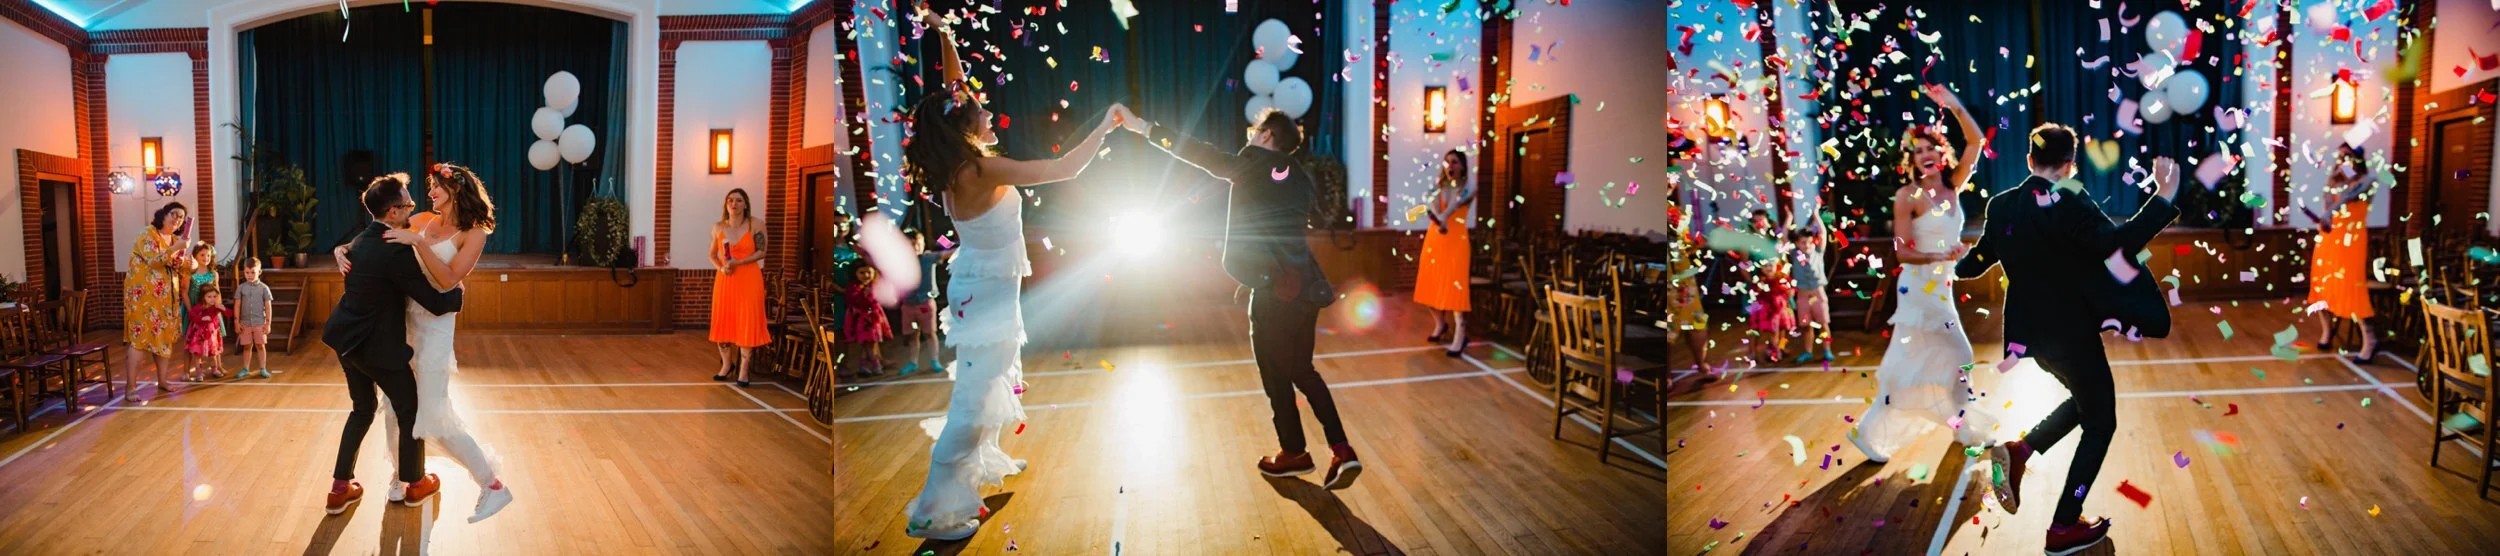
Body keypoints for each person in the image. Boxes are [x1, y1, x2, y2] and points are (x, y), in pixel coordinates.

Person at [898, 2, 1124, 540]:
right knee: (971, 400)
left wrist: (945, 34)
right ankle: (935, 507)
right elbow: (1064, 168)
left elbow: (955, 90)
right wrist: (1106, 123)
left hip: (985, 286)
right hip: (985, 293)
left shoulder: (963, 162)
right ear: (966, 127)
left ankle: (987, 461)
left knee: (991, 379)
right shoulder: (980, 168)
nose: (987, 112)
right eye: (979, 111)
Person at [1959, 123, 2180, 555]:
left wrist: (1949, 261)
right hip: (2072, 336)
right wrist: (2164, 197)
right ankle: (2063, 526)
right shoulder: (2071, 200)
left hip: (2033, 339)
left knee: (2086, 403)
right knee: (2101, 422)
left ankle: (2021, 450)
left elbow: (1977, 262)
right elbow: (2116, 245)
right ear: (2070, 165)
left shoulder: (2002, 205)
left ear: (2029, 161)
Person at [1121, 104, 1361, 489]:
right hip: (1306, 288)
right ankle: (1340, 448)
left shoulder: (1253, 165)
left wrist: (1144, 128)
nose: (1250, 135)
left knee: (1276, 377)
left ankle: (1295, 453)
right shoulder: (1298, 176)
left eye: (1255, 130)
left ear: (1266, 136)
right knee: (1302, 369)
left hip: (1275, 290)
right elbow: (1306, 217)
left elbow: (1197, 152)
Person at [1848, 84, 1998, 466]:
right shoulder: (1906, 197)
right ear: (1912, 161)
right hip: (1918, 288)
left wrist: (1953, 103)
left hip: (1940, 286)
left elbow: (1976, 140)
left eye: (1930, 147)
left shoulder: (1953, 185)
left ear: (1940, 153)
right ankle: (1963, 429)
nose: (1926, 154)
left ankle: (1870, 431)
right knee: (1961, 354)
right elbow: (1901, 251)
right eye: (1918, 151)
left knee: (1916, 363)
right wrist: (1938, 254)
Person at [322, 173, 465, 515]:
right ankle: (415, 484)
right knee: (409, 409)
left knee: (362, 410)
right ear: (391, 213)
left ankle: (339, 490)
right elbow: (433, 300)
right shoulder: (394, 249)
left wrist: (338, 248)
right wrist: (457, 291)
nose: (413, 209)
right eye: (408, 205)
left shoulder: (360, 240)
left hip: (344, 339)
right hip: (375, 346)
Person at [2302, 144, 2377, 362]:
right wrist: (2322, 221)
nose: (2342, 160)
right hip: (2329, 239)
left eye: (2348, 156)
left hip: (2351, 240)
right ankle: (2327, 331)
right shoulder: (2333, 181)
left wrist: (2346, 178)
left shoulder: (2367, 181)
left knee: (2352, 287)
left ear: (2357, 159)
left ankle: (2370, 340)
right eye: (2340, 156)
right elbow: (2327, 207)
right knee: (2322, 287)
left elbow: (2348, 198)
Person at [1413, 149, 1476, 356]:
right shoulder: (1436, 187)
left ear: (1463, 166)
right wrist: (1435, 217)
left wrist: (1442, 218)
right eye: (1447, 162)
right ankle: (1440, 324)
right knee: (1429, 285)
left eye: (1455, 162)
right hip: (1435, 240)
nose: (1451, 166)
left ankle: (1460, 333)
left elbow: (1455, 206)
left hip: (1456, 240)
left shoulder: (1469, 188)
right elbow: (1428, 205)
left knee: (1455, 287)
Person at [125, 203, 192, 399]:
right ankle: (130, 387)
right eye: (174, 214)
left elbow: (179, 267)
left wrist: (191, 265)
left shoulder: (174, 239)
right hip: (144, 296)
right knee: (139, 340)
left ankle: (162, 381)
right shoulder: (148, 234)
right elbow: (154, 260)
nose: (177, 219)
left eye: (181, 217)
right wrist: (176, 248)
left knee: (164, 338)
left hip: (166, 298)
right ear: (163, 214)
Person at [709, 188, 771, 387]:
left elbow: (762, 252)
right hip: (726, 280)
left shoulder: (756, 224)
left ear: (746, 204)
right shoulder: (718, 227)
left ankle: (744, 369)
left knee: (747, 320)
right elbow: (712, 254)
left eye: (738, 200)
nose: (733, 204)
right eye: (730, 200)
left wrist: (739, 262)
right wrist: (721, 268)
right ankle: (727, 365)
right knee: (724, 320)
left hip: (748, 278)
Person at [896, 230, 955, 376]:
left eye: (918, 244)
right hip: (908, 306)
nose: (915, 247)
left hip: (925, 304)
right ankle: (912, 362)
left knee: (930, 333)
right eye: (910, 245)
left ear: (923, 244)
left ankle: (935, 361)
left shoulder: (929, 258)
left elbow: (951, 251)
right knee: (912, 335)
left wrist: (943, 240)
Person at [1788, 225, 1834, 362]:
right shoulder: (1795, 254)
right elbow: (1784, 237)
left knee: (1823, 323)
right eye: (1802, 242)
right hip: (1803, 295)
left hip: (1817, 294)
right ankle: (1808, 351)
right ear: (1797, 243)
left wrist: (1816, 215)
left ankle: (1827, 350)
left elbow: (1823, 233)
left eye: (1809, 241)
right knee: (1806, 326)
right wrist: (1789, 219)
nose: (1806, 245)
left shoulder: (1818, 251)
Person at [181, 242, 224, 380]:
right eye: (202, 255)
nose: (206, 258)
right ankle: (186, 371)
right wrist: (190, 311)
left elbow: (217, 292)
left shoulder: (213, 274)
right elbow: (184, 292)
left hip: (210, 310)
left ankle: (218, 366)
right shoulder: (190, 274)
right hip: (194, 307)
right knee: (190, 340)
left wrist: (218, 307)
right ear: (195, 256)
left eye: (208, 255)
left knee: (214, 338)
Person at [842, 265, 894, 377]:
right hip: (861, 320)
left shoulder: (874, 286)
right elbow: (857, 302)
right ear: (855, 273)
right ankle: (874, 365)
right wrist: (867, 295)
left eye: (868, 272)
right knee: (868, 343)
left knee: (870, 342)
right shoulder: (853, 288)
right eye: (862, 272)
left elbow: (877, 301)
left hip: (873, 319)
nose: (866, 275)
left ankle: (864, 365)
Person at [234, 258, 275, 379]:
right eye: (247, 272)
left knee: (260, 345)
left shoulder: (264, 288)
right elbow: (237, 305)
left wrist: (268, 323)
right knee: (247, 346)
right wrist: (236, 322)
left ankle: (263, 368)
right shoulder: (241, 288)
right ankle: (245, 368)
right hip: (245, 323)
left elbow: (268, 306)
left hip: (259, 323)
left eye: (253, 272)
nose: (250, 275)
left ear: (259, 272)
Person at [184, 289, 230, 379]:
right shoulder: (198, 307)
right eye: (209, 297)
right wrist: (202, 318)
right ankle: (199, 372)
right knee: (197, 354)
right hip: (199, 335)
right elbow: (191, 316)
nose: (212, 299)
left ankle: (214, 369)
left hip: (212, 334)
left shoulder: (216, 307)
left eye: (214, 296)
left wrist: (223, 309)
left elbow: (229, 314)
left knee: (213, 353)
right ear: (203, 297)